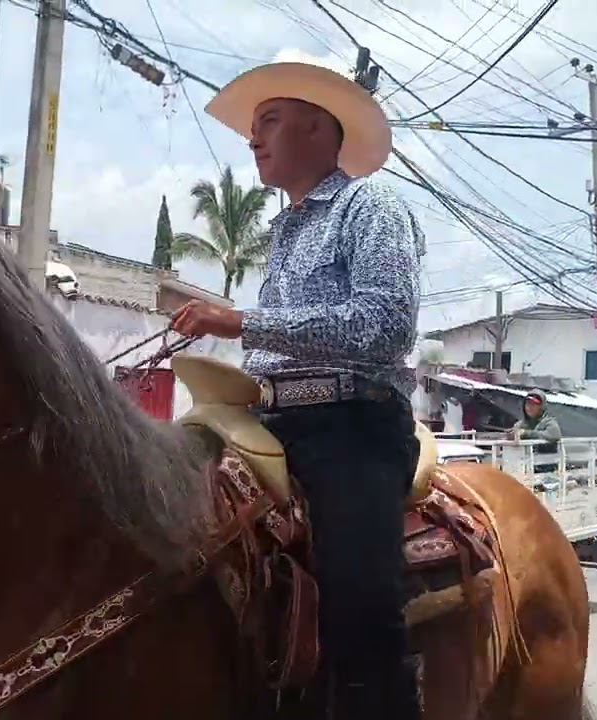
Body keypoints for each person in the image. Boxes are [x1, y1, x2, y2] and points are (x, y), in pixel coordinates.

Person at [169, 61, 423, 719]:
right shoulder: (284, 230)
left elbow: (385, 323)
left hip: (352, 427)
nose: (253, 138)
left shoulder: (370, 206)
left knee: (360, 610)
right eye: (254, 127)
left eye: (270, 121)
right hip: (270, 422)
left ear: (317, 128)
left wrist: (241, 322)